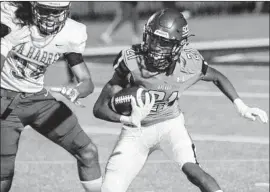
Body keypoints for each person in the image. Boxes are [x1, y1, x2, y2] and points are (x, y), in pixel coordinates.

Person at [93, 8, 268, 192]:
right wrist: (127, 119)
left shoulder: (189, 62)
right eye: (152, 39)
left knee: (193, 171)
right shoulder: (131, 61)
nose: (154, 48)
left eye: (163, 43)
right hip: (135, 131)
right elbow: (99, 108)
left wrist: (241, 106)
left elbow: (217, 77)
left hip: (170, 125)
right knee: (111, 187)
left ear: (178, 46)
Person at [0, 2, 102, 192]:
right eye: (46, 11)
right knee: (3, 172)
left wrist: (76, 90)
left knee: (88, 152)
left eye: (57, 12)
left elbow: (86, 81)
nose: (51, 17)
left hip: (39, 101)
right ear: (34, 8)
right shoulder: (13, 20)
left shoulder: (71, 33)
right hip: (6, 100)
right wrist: (7, 41)